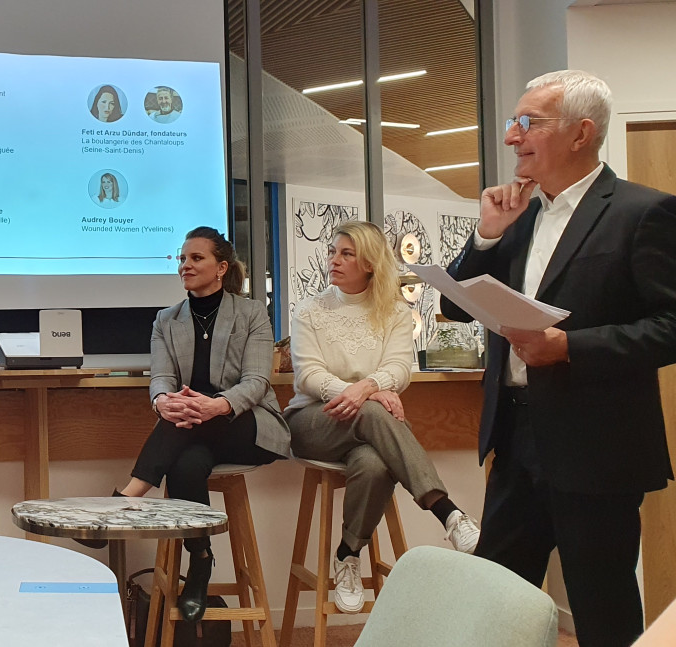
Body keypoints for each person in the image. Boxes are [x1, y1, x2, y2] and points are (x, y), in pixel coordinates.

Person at [443, 70, 676, 647]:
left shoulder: (641, 213)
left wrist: (570, 346)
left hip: (597, 447)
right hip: (516, 436)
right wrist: (488, 237)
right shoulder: (516, 214)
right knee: (497, 601)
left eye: (528, 123)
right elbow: (458, 311)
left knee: (602, 607)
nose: (511, 137)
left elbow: (670, 327)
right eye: (512, 122)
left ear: (581, 133)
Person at [79, 227, 288, 622]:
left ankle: (125, 500)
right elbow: (161, 379)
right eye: (182, 258)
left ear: (221, 268)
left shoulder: (251, 313)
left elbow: (258, 382)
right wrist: (163, 402)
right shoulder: (166, 320)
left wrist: (217, 405)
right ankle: (200, 563)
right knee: (186, 464)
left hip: (249, 424)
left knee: (190, 426)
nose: (185, 266)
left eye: (196, 258)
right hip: (194, 429)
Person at [287, 221, 480, 615]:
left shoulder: (393, 310)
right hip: (313, 420)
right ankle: (448, 513)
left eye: (346, 253)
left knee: (375, 463)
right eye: (332, 252)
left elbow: (400, 368)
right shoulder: (309, 309)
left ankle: (347, 555)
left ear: (371, 264)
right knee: (374, 412)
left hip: (368, 428)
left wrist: (369, 388)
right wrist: (364, 392)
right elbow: (308, 374)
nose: (334, 260)